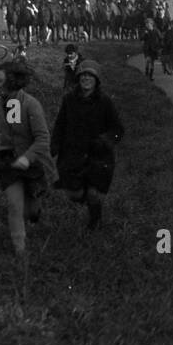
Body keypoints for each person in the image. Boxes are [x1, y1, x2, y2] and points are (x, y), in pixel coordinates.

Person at [0, 56, 57, 270]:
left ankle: (35, 210)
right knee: (14, 205)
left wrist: (26, 158)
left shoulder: (31, 105)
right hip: (8, 164)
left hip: (33, 164)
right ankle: (20, 251)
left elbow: (43, 139)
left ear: (11, 82)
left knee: (31, 211)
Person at [51, 59, 123, 229]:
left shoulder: (105, 102)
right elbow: (60, 124)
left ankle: (95, 221)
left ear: (96, 80)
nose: (86, 79)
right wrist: (54, 145)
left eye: (90, 76)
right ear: (78, 78)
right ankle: (79, 191)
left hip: (98, 155)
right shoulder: (69, 100)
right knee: (74, 194)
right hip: (72, 153)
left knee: (93, 193)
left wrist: (105, 141)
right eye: (83, 75)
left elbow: (118, 129)